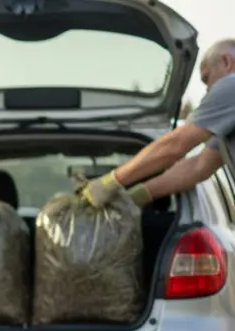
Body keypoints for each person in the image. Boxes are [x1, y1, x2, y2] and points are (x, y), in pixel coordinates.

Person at [83, 39, 235, 208]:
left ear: (227, 62)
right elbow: (198, 165)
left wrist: (110, 182)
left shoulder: (231, 86)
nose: (207, 89)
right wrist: (134, 197)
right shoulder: (228, 122)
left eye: (206, 79)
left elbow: (175, 145)